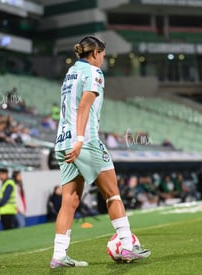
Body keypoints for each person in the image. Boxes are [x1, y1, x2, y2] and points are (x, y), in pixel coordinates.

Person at [50, 35, 151, 268]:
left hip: (62, 141)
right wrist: (81, 140)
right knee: (112, 193)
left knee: (70, 200)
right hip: (84, 141)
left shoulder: (70, 73)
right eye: (103, 54)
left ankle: (58, 254)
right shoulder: (94, 73)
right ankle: (127, 245)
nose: (103, 59)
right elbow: (84, 106)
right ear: (95, 53)